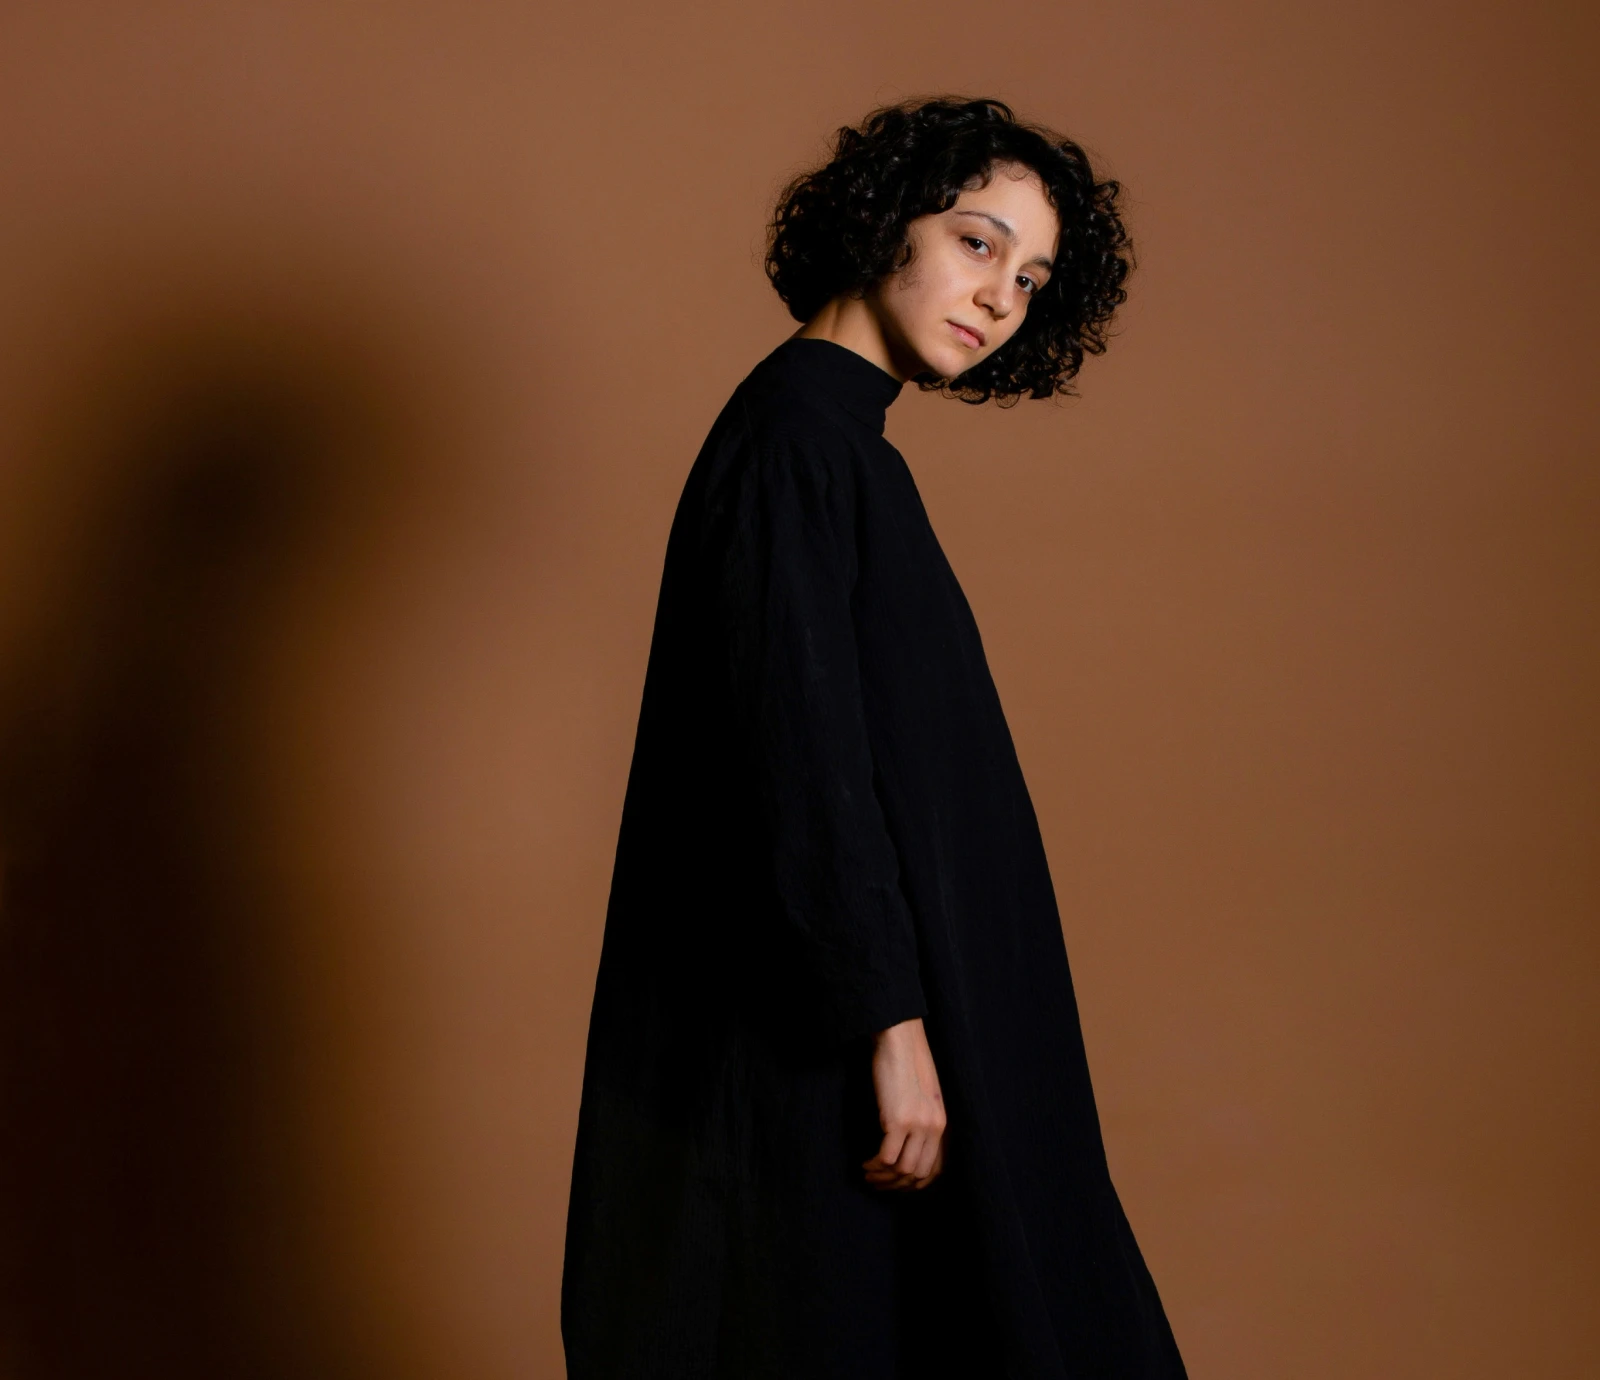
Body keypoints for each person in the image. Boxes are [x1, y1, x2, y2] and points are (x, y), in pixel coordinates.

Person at [561, 96, 1187, 1378]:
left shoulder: (839, 444)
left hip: (888, 1015)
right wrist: (892, 1031)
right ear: (880, 222)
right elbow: (800, 759)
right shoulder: (797, 443)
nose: (1001, 295)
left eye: (1029, 276)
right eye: (974, 242)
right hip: (844, 1042)